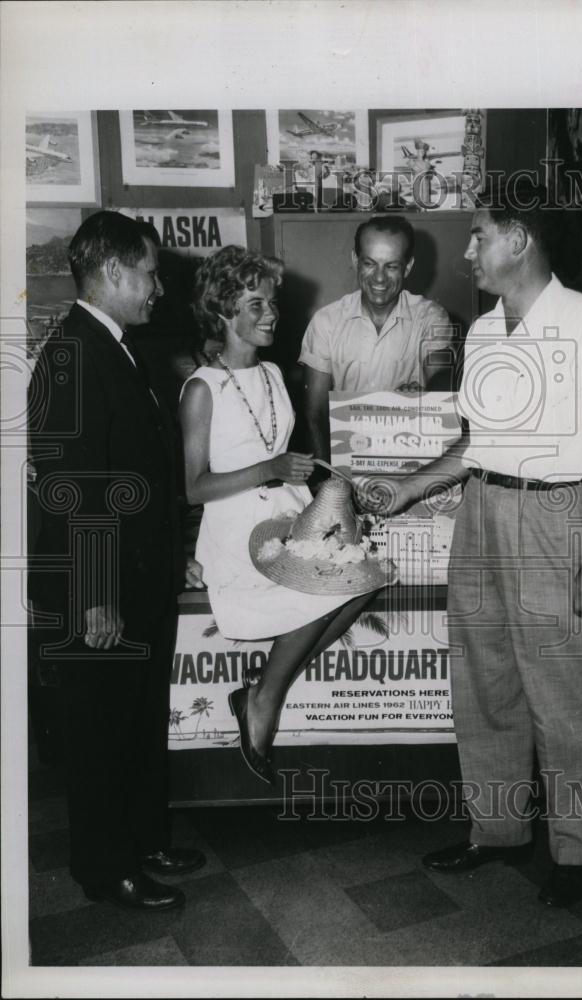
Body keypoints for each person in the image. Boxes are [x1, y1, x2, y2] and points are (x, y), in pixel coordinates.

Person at [358, 184, 582, 907]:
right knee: (483, 677)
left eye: (478, 236)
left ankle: (573, 852)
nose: (467, 250)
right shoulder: (481, 332)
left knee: (564, 690)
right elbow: (477, 443)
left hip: (556, 514)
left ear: (520, 241)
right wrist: (408, 488)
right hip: (482, 511)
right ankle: (496, 829)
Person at [28, 211, 206, 913]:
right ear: (111, 274)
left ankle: (143, 838)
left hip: (136, 576)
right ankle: (106, 868)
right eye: (150, 273)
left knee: (134, 719)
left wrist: (171, 558)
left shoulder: (116, 345)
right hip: (95, 584)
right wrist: (97, 595)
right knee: (99, 732)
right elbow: (73, 487)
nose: (158, 288)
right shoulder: (74, 353)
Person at [178, 245, 386, 784]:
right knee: (330, 585)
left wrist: (333, 495)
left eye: (272, 303)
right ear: (223, 311)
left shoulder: (273, 372)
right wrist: (269, 467)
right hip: (234, 533)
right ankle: (264, 697)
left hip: (290, 519)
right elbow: (193, 489)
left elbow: (291, 460)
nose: (271, 314)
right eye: (255, 305)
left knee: (365, 579)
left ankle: (264, 689)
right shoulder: (202, 390)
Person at [300, 215, 455, 465]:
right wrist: (328, 480)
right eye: (370, 263)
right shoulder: (326, 321)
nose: (379, 278)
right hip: (346, 461)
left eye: (391, 266)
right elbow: (314, 414)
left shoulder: (430, 317)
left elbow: (439, 386)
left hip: (408, 460)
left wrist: (425, 399)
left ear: (408, 266)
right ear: (355, 260)